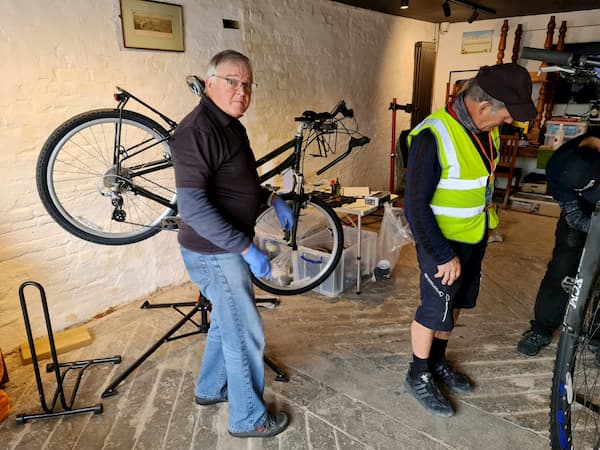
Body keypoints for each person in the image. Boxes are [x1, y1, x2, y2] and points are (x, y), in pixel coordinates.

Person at [170, 50, 294, 438]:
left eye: (247, 84)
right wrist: (244, 249)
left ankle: (210, 388)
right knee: (244, 331)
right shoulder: (196, 131)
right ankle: (248, 418)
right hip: (214, 252)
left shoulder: (230, 125)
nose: (241, 91)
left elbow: (236, 181)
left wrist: (270, 198)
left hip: (226, 249)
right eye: (232, 82)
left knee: (227, 323)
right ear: (210, 84)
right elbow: (193, 207)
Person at [403, 63, 536, 417]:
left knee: (455, 306)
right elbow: (414, 207)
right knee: (434, 311)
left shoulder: (484, 130)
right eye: (507, 115)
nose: (509, 122)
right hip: (440, 243)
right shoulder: (433, 135)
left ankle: (437, 362)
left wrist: (487, 225)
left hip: (473, 236)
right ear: (483, 106)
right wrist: (442, 254)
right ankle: (417, 373)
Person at [517, 130, 600, 356]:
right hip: (578, 207)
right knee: (563, 264)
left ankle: (597, 337)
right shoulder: (558, 167)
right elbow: (573, 216)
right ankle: (542, 329)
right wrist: (592, 229)